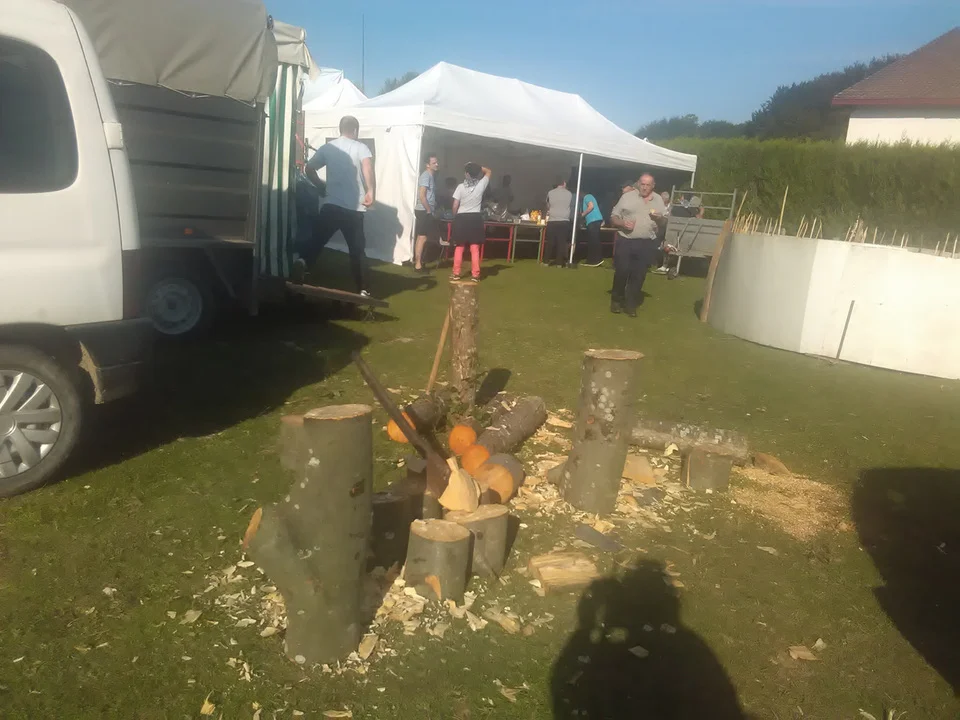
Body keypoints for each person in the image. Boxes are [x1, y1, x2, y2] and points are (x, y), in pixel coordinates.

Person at [296, 115, 375, 296]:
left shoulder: (328, 147)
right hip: (353, 208)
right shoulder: (361, 148)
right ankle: (363, 289)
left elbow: (309, 169)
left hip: (331, 205)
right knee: (357, 251)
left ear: (340, 129)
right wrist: (370, 191)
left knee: (317, 241)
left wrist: (320, 186)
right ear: (355, 130)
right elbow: (367, 168)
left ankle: (302, 262)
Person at [609, 173, 666, 316]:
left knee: (639, 275)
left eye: (648, 185)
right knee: (622, 271)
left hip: (646, 242)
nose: (644, 187)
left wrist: (659, 219)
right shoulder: (627, 197)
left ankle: (630, 304)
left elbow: (664, 221)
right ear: (638, 184)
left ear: (653, 186)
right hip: (626, 240)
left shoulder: (658, 200)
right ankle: (616, 300)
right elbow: (613, 217)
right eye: (642, 184)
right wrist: (622, 223)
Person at [451, 162, 491, 282]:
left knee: (459, 247)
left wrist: (455, 216)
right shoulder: (481, 185)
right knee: (474, 247)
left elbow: (455, 205)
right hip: (475, 218)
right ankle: (475, 275)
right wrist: (478, 168)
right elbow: (488, 171)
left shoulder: (460, 187)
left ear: (467, 174)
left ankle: (456, 273)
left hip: (461, 218)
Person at [413, 154, 439, 272]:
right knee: (422, 237)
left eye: (436, 162)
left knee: (422, 237)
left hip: (425, 210)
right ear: (427, 165)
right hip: (423, 210)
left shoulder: (431, 176)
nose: (437, 164)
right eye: (434, 163)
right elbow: (422, 195)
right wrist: (428, 210)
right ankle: (418, 265)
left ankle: (419, 262)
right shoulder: (425, 176)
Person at [544, 178, 574, 266]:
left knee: (550, 242)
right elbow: (571, 205)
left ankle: (546, 261)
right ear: (564, 183)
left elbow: (547, 204)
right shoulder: (569, 194)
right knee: (561, 243)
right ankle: (559, 263)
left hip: (552, 220)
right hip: (564, 220)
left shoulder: (550, 192)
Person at [580, 192, 604, 267]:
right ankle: (596, 259)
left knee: (593, 241)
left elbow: (591, 206)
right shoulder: (588, 197)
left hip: (593, 220)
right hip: (594, 221)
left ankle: (594, 260)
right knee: (594, 240)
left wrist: (582, 215)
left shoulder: (587, 196)